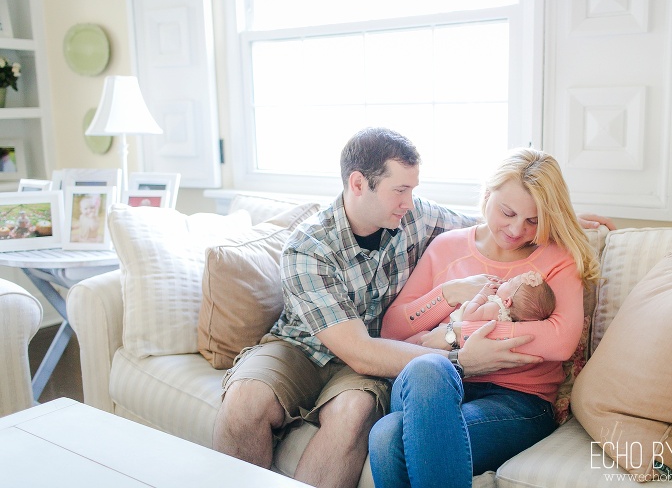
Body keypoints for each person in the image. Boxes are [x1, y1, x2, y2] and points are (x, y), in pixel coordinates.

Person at [212, 127, 614, 488]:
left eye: (412, 189)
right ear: (358, 184)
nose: (410, 201)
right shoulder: (308, 249)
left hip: (455, 381)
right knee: (248, 399)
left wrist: (556, 221)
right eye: (399, 190)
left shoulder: (418, 216)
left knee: (376, 427)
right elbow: (370, 345)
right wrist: (457, 343)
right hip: (317, 347)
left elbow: (497, 231)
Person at [369, 148, 601, 488]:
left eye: (533, 220)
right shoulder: (447, 247)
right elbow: (392, 329)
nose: (516, 229)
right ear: (487, 195)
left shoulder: (558, 258)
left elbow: (561, 339)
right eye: (507, 212)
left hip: (518, 402)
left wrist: (455, 335)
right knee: (429, 368)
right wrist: (448, 294)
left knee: (388, 437)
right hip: (433, 388)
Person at [451, 270, 556, 323]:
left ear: (507, 302)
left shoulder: (495, 308)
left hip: (455, 326)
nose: (506, 280)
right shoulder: (509, 317)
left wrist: (482, 295)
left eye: (509, 282)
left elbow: (468, 317)